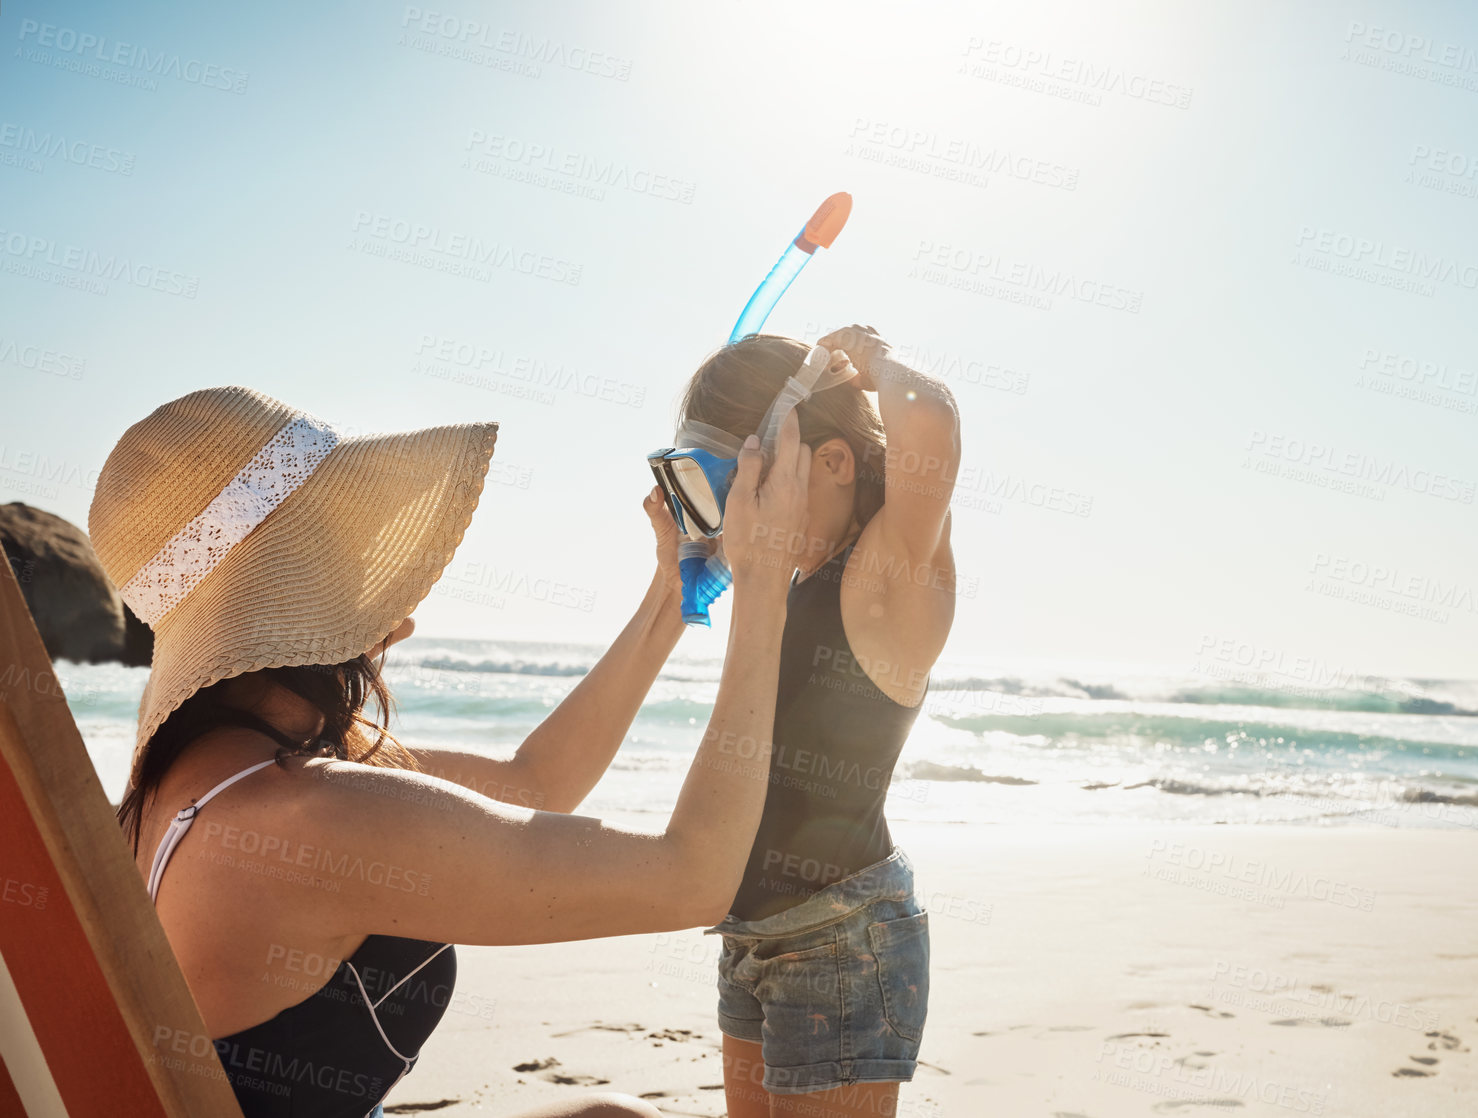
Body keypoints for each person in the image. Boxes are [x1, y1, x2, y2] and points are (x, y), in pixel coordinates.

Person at [89, 384, 813, 1118]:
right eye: (352, 546)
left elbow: (532, 787)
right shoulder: (310, 816)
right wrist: (762, 585)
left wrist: (671, 590)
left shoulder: (210, 777)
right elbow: (692, 879)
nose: (391, 595)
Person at [666, 325, 961, 1117]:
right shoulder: (791, 577)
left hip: (842, 937)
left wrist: (874, 362)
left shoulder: (888, 569)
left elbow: (928, 419)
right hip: (748, 934)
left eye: (743, 492)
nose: (730, 523)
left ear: (831, 463)